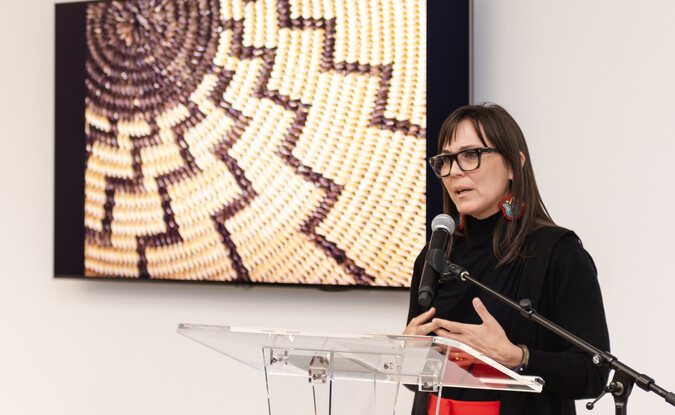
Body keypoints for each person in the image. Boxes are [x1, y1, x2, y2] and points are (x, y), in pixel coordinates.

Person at [404, 103, 610, 415]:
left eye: (470, 155)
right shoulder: (435, 254)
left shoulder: (558, 252)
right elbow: (420, 378)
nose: (455, 170)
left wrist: (518, 357)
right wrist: (408, 354)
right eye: (445, 160)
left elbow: (593, 373)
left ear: (514, 164)